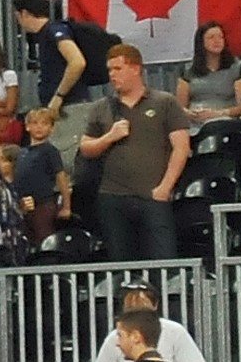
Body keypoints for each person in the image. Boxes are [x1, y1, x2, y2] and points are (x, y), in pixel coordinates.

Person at [77, 44, 190, 260]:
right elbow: (86, 148)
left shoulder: (164, 102)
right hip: (113, 197)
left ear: (136, 69)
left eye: (118, 69)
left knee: (162, 260)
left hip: (152, 195)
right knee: (121, 263)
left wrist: (165, 188)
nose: (112, 75)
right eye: (110, 70)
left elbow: (181, 147)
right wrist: (109, 137)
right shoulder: (102, 107)